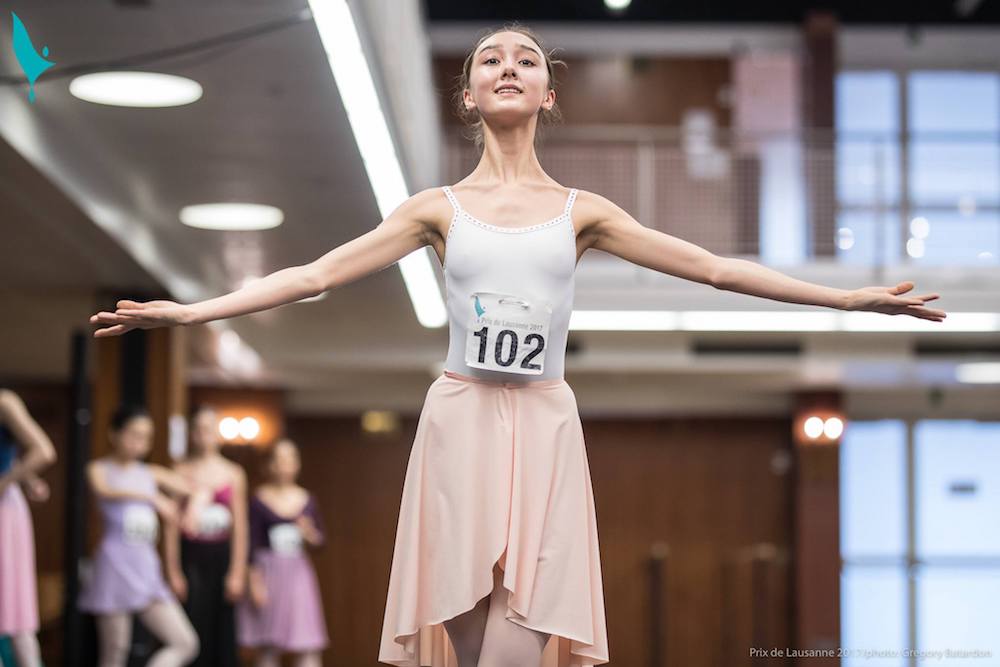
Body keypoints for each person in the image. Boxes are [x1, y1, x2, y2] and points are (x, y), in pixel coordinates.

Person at [87, 21, 947, 667]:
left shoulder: (584, 212)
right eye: (489, 60)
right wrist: (195, 313)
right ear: (468, 96)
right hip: (458, 417)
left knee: (521, 639)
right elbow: (315, 273)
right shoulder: (434, 208)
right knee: (459, 627)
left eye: (526, 60)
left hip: (544, 422)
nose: (508, 67)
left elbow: (714, 269)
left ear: (547, 96)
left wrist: (848, 297)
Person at [78, 405, 200, 667]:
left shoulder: (151, 473)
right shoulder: (99, 469)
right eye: (133, 434)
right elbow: (105, 491)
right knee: (115, 650)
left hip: (146, 566)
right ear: (115, 434)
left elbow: (196, 489)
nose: (139, 443)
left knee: (185, 642)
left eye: (146, 437)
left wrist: (191, 512)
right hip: (113, 564)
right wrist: (152, 497)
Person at [163, 405, 246, 667]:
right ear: (191, 433)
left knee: (222, 628)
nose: (203, 435)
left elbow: (240, 527)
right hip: (192, 556)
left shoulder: (233, 473)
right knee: (192, 622)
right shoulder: (179, 471)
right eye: (198, 429)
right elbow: (171, 525)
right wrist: (173, 570)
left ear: (217, 433)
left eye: (208, 429)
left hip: (220, 556)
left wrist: (237, 571)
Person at [237, 439, 328, 667]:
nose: (285, 465)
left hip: (297, 572)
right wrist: (255, 582)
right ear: (269, 465)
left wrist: (309, 534)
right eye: (279, 459)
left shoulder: (307, 499)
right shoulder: (259, 499)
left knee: (306, 639)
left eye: (290, 459)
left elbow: (320, 542)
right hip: (269, 572)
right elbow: (252, 543)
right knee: (269, 643)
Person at [0, 389, 57, 667]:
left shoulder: (4, 402)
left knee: (13, 603)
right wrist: (26, 477)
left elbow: (43, 451)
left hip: (4, 511)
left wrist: (7, 481)